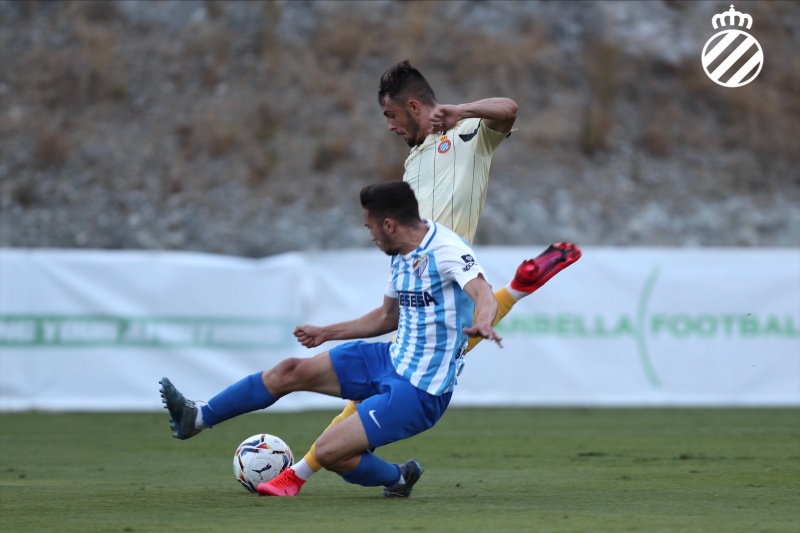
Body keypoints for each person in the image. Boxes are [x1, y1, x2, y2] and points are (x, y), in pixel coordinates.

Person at [257, 60, 581, 496]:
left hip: (447, 280)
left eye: (390, 115)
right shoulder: (413, 164)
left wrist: (462, 110)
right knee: (379, 392)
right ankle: (519, 288)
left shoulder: (469, 135)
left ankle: (297, 474)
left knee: (377, 393)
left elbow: (509, 108)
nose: (389, 126)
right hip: (414, 283)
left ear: (412, 106)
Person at [160, 180, 502, 498]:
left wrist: (484, 321)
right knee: (289, 371)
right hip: (389, 358)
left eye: (369, 226)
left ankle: (393, 478)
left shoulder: (446, 250)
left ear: (389, 225)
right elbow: (386, 317)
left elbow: (483, 292)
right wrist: (326, 333)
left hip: (420, 390)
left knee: (330, 452)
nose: (370, 235)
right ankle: (198, 417)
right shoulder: (401, 253)